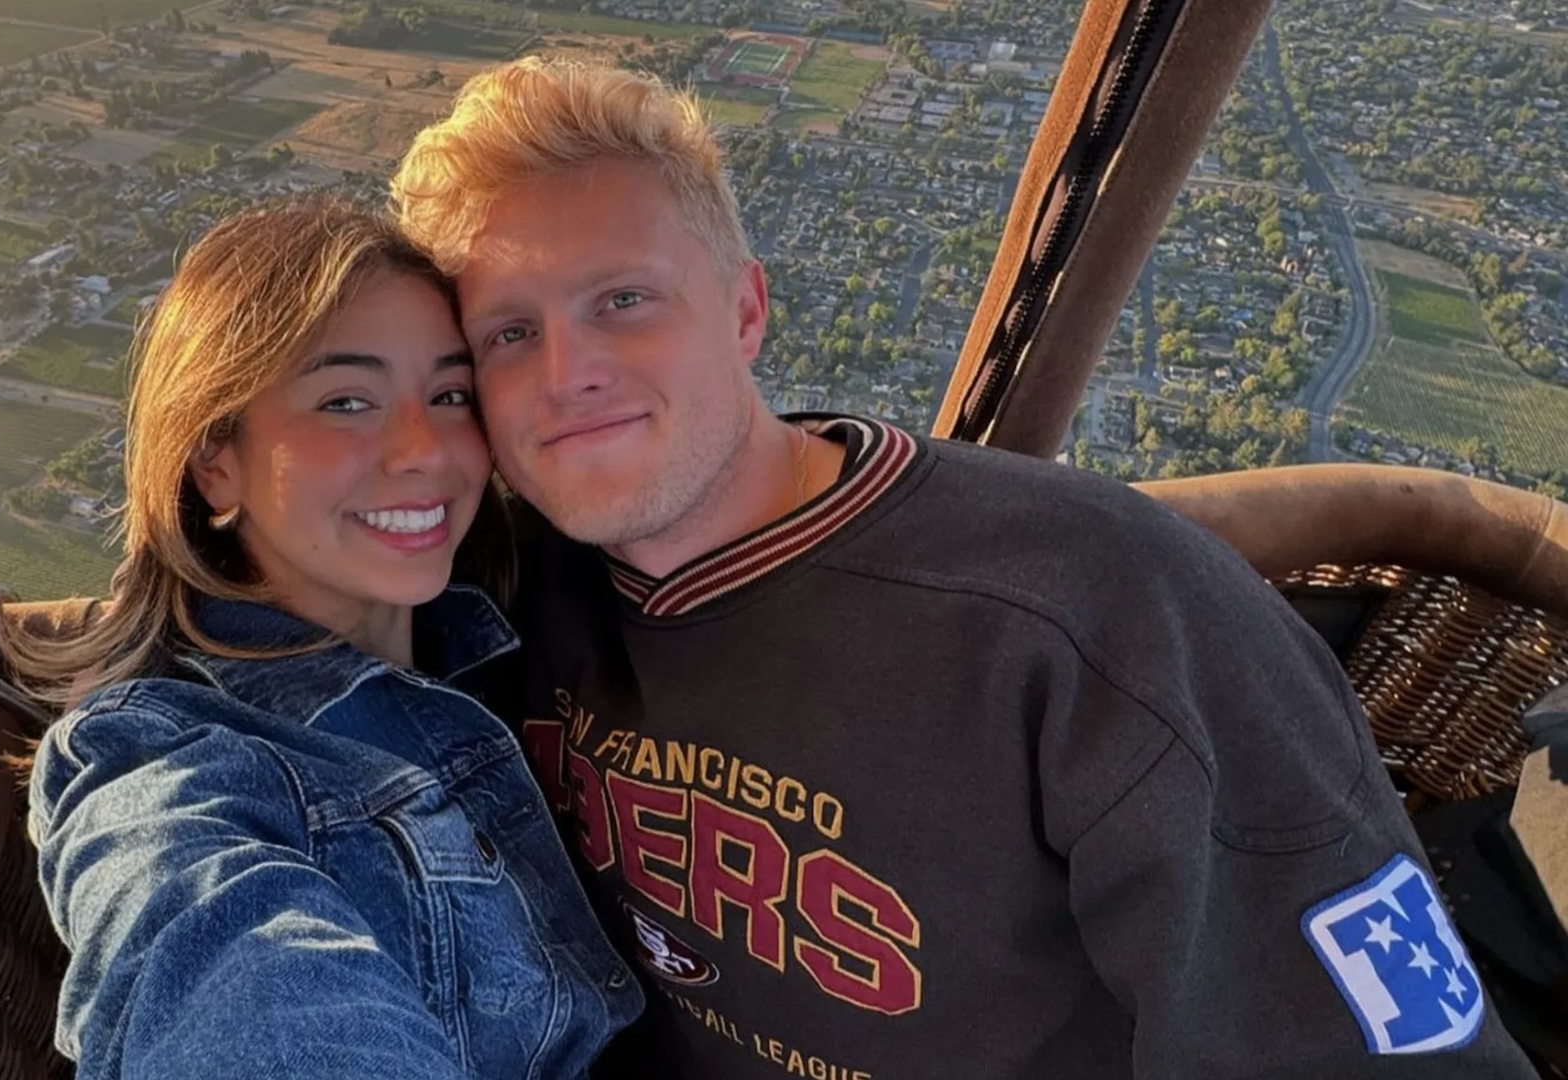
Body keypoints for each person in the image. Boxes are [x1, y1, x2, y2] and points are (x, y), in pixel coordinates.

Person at [389, 58, 1541, 1078]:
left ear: (744, 312)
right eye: (509, 333)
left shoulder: (1102, 618)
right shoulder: (491, 595)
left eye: (623, 300)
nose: (567, 373)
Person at [2, 197, 643, 1080]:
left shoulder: (522, 623)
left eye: (450, 395)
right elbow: (217, 950)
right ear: (215, 458)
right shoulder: (165, 760)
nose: (424, 450)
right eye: (347, 401)